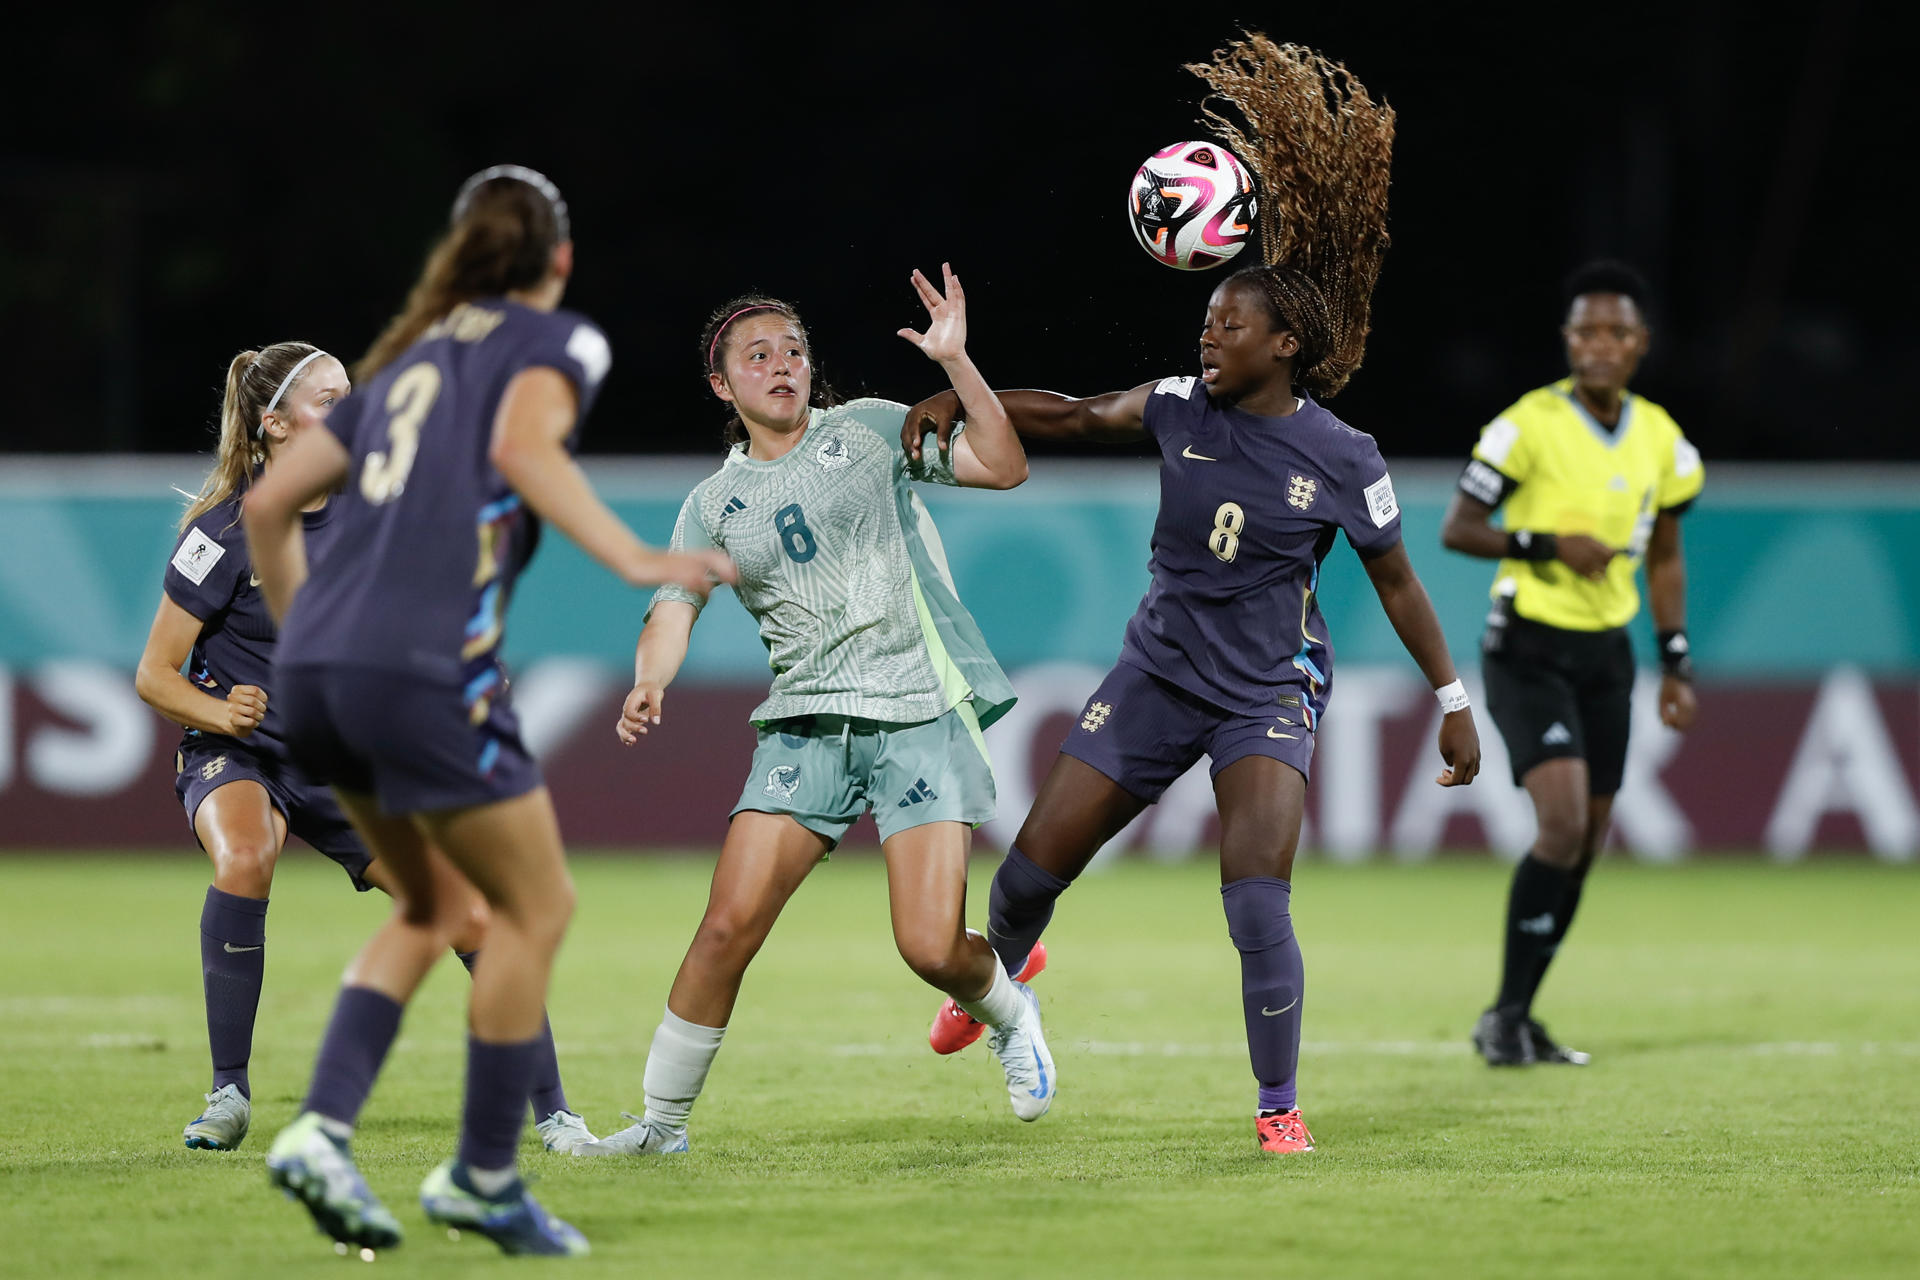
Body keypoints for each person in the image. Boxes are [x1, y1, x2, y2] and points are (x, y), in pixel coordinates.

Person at [901, 35, 1481, 1155]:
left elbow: (1399, 582)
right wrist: (955, 390)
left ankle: (1279, 1108)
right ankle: (1006, 967)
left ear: (1286, 342)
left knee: (1256, 899)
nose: (1206, 336)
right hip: (1157, 673)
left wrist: (1453, 696)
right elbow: (1067, 411)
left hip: (1265, 691)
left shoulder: (1344, 456)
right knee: (1026, 874)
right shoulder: (1178, 406)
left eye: (1228, 325)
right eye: (1205, 322)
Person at [242, 166, 733, 1256]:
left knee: (433, 906)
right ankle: (482, 1173)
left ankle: (321, 1129)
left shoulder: (405, 361)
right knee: (536, 907)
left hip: (318, 671)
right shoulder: (556, 344)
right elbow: (522, 449)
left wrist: (313, 632)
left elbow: (270, 501)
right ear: (558, 259)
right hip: (424, 667)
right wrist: (636, 554)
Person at [576, 265, 1051, 1159]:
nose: (782, 365)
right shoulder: (712, 504)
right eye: (757, 355)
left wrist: (958, 366)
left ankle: (1010, 1011)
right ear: (723, 384)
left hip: (915, 710)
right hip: (806, 724)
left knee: (928, 947)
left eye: (793, 349)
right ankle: (660, 1130)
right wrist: (652, 678)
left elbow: (1006, 465)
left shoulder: (870, 430)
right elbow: (672, 608)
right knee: (725, 928)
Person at [134, 342, 592, 1156]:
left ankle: (557, 1119)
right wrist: (221, 710)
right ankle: (228, 1094)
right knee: (245, 856)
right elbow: (153, 675)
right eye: (331, 399)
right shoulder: (221, 534)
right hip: (240, 753)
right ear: (276, 426)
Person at [1440, 260, 1702, 1067]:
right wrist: (1546, 543)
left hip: (1607, 655)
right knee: (1558, 827)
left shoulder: (1662, 439)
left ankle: (1518, 1014)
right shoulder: (1527, 425)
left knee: (1587, 842)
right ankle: (1506, 1016)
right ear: (1568, 339)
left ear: (1640, 343)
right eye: (1586, 330)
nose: (1599, 345)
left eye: (1616, 332)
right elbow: (1459, 525)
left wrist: (1675, 658)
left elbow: (1664, 554)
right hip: (1528, 644)